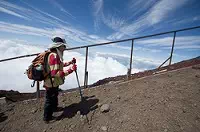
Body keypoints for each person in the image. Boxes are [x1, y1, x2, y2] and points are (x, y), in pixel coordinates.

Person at [43, 37, 77, 123]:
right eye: (63, 46)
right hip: (51, 82)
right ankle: (47, 117)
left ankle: (54, 108)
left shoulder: (54, 54)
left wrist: (70, 63)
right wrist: (70, 70)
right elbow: (55, 73)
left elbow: (59, 65)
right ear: (59, 46)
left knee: (54, 95)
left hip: (52, 82)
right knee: (49, 99)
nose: (65, 48)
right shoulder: (54, 56)